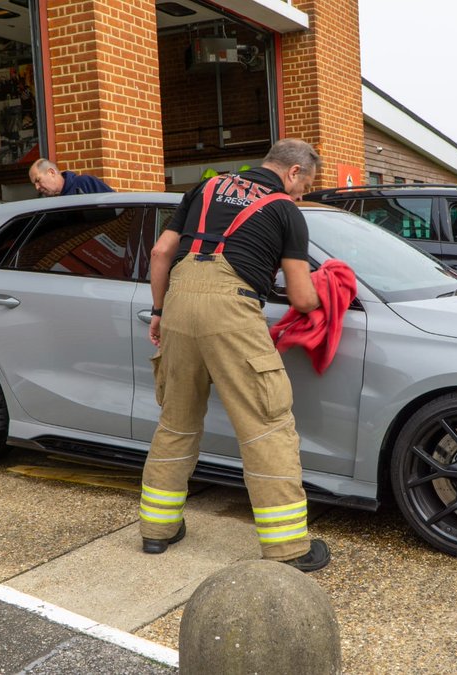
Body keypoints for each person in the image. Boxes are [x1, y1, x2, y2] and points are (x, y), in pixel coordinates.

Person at [140, 139, 330, 572]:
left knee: (176, 421)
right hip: (232, 309)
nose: (302, 196)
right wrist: (332, 292)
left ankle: (157, 531)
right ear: (294, 172)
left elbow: (160, 252)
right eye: (305, 186)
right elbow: (301, 297)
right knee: (266, 425)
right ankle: (288, 549)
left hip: (179, 304)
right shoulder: (285, 209)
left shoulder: (204, 188)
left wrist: (158, 311)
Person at [28, 158, 113, 197]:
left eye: (38, 180)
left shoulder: (85, 183)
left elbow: (116, 205)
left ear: (51, 172)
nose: (37, 187)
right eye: (34, 184)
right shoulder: (47, 204)